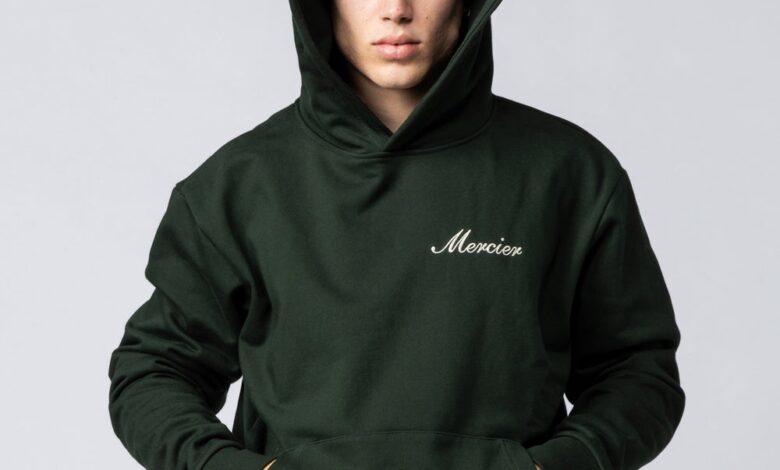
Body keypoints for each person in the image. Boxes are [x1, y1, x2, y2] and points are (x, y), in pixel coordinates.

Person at [107, 0, 686, 469]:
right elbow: (154, 371)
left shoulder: (569, 173)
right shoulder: (238, 186)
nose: (395, 10)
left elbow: (637, 371)